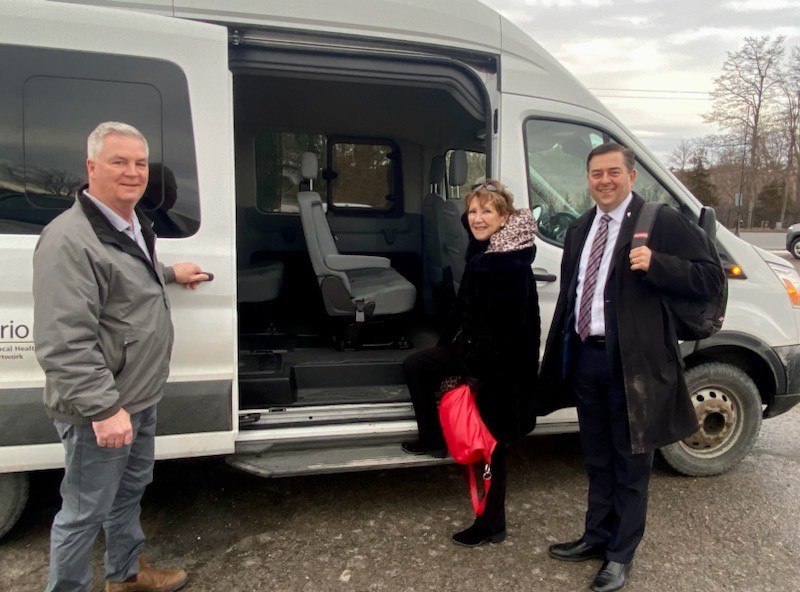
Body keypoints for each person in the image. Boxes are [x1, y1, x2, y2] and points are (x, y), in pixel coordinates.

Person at [33, 122, 210, 592]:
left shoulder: (128, 221)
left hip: (137, 394)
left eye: (138, 163)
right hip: (103, 406)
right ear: (91, 167)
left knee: (128, 491)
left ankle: (127, 575)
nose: (132, 173)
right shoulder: (68, 239)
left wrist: (170, 272)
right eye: (118, 162)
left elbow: (122, 281)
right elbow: (63, 341)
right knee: (84, 511)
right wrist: (104, 409)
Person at [538, 143, 724, 592]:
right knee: (597, 456)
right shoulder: (582, 227)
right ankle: (596, 536)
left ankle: (621, 555)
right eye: (596, 174)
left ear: (632, 176)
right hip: (586, 357)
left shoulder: (660, 222)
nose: (604, 181)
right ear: (588, 179)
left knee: (632, 459)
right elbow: (572, 293)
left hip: (633, 366)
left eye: (613, 173)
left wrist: (659, 264)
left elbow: (710, 278)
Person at [401, 180, 540, 547]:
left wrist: (474, 376)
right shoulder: (485, 250)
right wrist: (451, 349)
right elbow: (468, 313)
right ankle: (433, 439)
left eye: (487, 211)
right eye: (473, 211)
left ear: (505, 217)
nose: (477, 219)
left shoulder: (504, 264)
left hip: (499, 369)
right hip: (476, 353)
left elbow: (507, 334)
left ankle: (492, 524)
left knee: (491, 444)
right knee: (418, 366)